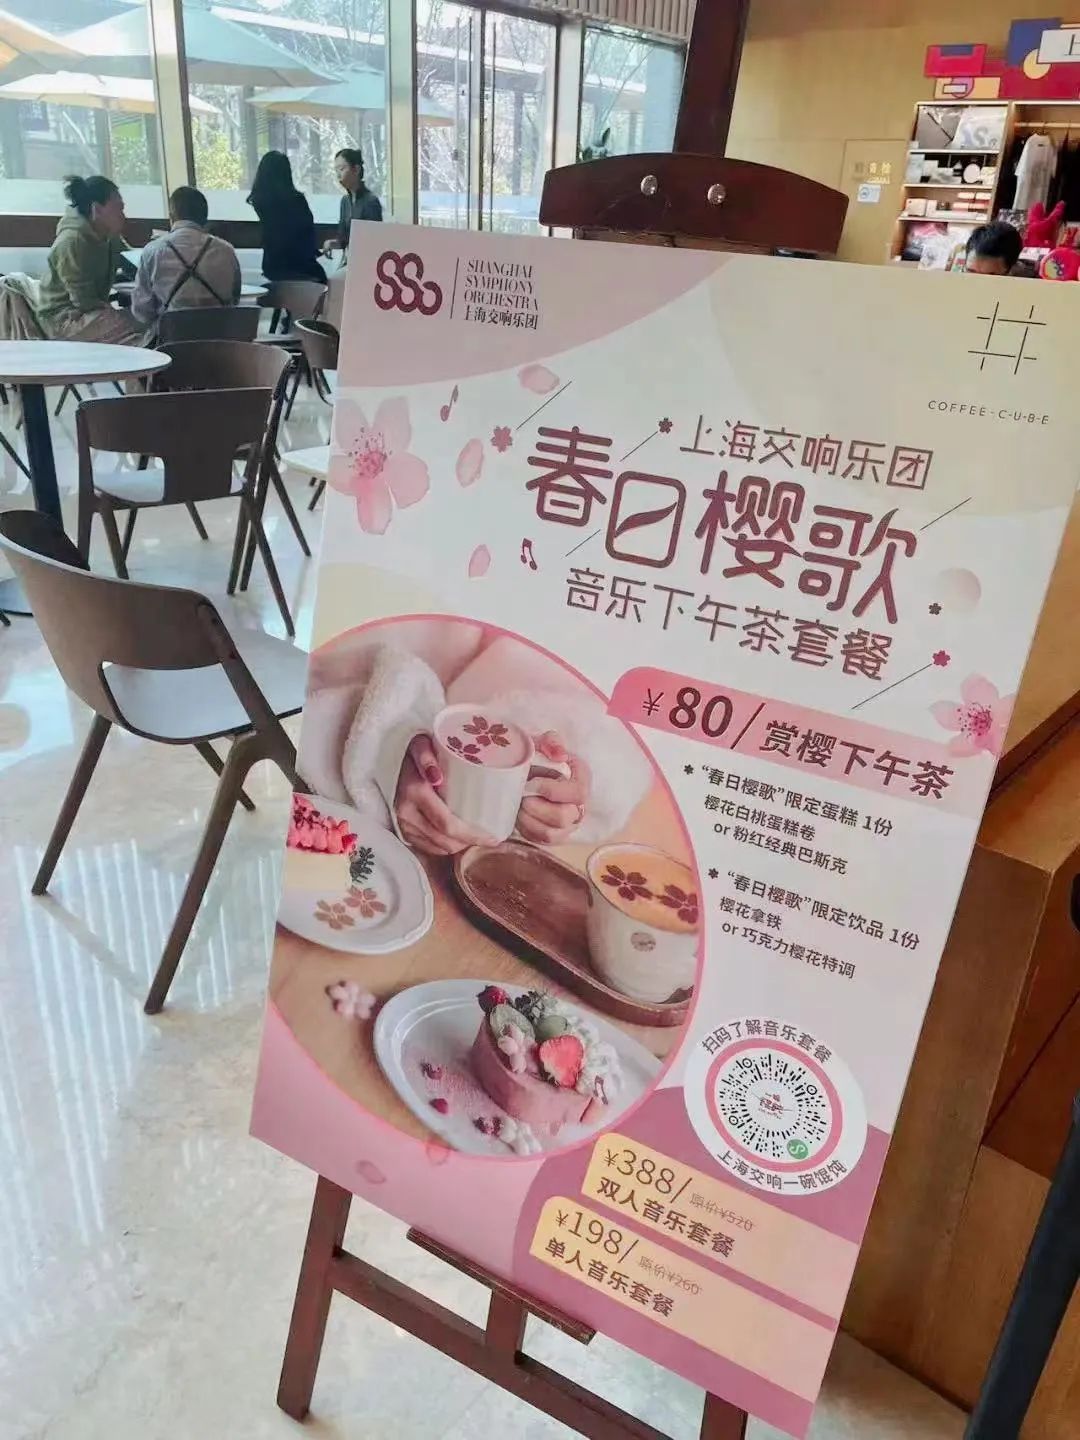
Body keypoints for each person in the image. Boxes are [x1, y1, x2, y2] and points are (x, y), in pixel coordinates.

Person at [36, 175, 142, 343]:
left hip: (92, 312)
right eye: (118, 209)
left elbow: (132, 261)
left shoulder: (109, 236)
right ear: (96, 210)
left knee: (145, 317)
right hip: (62, 319)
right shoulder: (72, 241)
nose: (124, 216)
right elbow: (84, 300)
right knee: (134, 327)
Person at [130, 185, 241, 331]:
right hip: (220, 337)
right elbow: (234, 299)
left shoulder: (152, 251)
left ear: (172, 216)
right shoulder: (226, 250)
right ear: (205, 217)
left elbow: (142, 311)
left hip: (171, 339)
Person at [247, 151, 326, 284]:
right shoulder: (297, 200)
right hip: (303, 267)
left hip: (273, 268)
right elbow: (307, 234)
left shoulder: (260, 202)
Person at [322, 147, 382, 261]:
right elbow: (342, 239)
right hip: (349, 260)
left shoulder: (371, 202)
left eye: (341, 169)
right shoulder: (345, 201)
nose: (338, 174)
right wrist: (331, 243)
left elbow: (375, 242)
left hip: (366, 261)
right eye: (336, 170)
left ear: (356, 169)